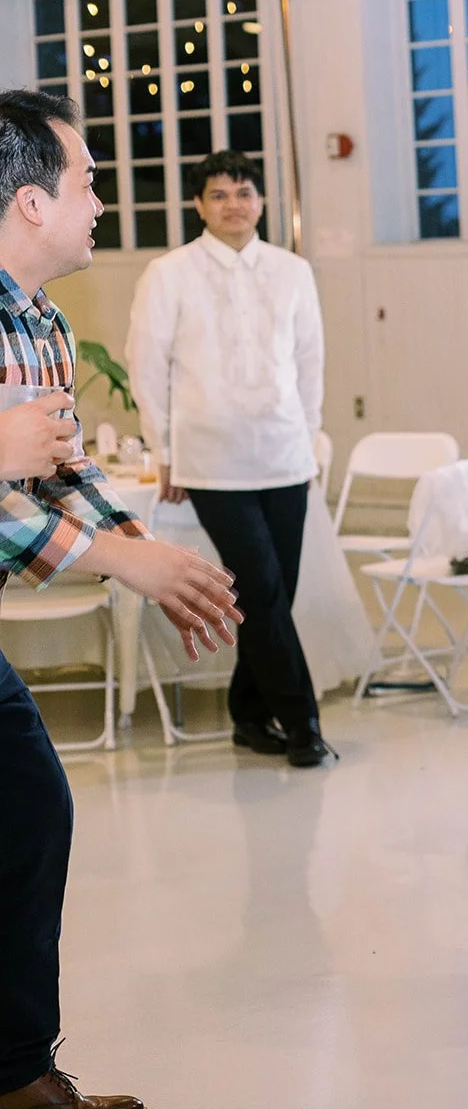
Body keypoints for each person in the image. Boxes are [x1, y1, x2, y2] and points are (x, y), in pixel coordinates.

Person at [0, 89, 241, 1109]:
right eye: (89, 182)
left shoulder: (39, 318)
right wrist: (119, 565)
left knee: (27, 808)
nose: (102, 200)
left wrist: (140, 545)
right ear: (28, 204)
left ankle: (16, 1072)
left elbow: (52, 474)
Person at [125, 151, 331, 768]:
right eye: (219, 194)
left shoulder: (293, 270)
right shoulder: (169, 273)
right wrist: (164, 453)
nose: (234, 204)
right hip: (210, 461)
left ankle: (246, 714)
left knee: (277, 593)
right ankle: (303, 723)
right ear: (199, 205)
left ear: (261, 201)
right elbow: (146, 366)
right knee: (262, 588)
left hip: (285, 454)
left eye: (244, 192)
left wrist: (311, 438)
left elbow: (310, 363)